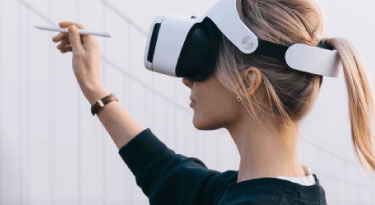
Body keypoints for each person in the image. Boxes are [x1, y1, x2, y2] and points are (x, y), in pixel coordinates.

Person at [52, 0, 375, 204]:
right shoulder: (263, 190)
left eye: (200, 63)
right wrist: (94, 88)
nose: (187, 79)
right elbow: (165, 173)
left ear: (249, 83)